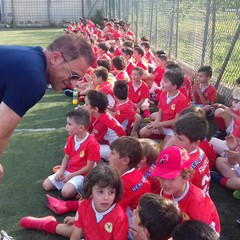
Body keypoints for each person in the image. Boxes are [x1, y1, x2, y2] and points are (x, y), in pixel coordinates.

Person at [0, 33, 95, 179]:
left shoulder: (32, 58)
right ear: (55, 57)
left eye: (78, 79)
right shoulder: (33, 79)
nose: (74, 84)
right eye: (73, 75)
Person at [19, 164, 129, 240]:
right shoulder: (85, 205)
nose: (106, 197)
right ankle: (46, 224)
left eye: (111, 192)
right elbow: (75, 236)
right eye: (100, 192)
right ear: (90, 190)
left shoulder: (119, 217)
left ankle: (47, 223)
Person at [151, 145, 221, 235]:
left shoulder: (196, 203)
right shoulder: (167, 192)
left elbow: (202, 235)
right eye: (161, 177)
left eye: (171, 178)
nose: (165, 183)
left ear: (185, 177)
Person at [42, 108, 100, 199]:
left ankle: (81, 187)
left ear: (81, 127)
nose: (66, 126)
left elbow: (89, 167)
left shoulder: (92, 144)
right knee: (46, 185)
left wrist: (71, 175)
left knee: (65, 193)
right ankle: (71, 186)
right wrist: (61, 171)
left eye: (69, 124)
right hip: (70, 170)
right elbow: (66, 157)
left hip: (82, 174)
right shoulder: (71, 138)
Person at [139, 67, 189, 148]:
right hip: (161, 124)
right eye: (163, 80)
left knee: (164, 150)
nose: (162, 83)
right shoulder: (164, 93)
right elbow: (160, 110)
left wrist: (159, 124)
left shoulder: (182, 100)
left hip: (173, 129)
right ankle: (162, 137)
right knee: (142, 133)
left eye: (165, 82)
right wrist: (157, 124)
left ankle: (166, 139)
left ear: (174, 87)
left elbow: (176, 121)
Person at [168, 112, 211, 194]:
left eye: (180, 139)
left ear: (195, 143)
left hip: (189, 201)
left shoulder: (184, 166)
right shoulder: (199, 151)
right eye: (174, 135)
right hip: (200, 193)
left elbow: (172, 189)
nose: (174, 140)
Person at [83, 90, 126, 160]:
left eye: (87, 104)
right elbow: (88, 129)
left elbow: (90, 140)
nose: (84, 106)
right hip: (117, 145)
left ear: (96, 109)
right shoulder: (98, 114)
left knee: (88, 147)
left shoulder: (101, 122)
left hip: (118, 150)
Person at [210, 88, 240, 156]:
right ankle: (223, 132)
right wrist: (222, 106)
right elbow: (230, 109)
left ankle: (229, 155)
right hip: (236, 131)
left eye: (236, 101)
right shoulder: (237, 107)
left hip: (236, 142)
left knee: (212, 142)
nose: (233, 102)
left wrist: (231, 114)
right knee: (219, 111)